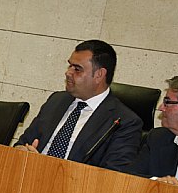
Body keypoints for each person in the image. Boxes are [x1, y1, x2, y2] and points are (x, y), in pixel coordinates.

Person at [15, 40, 142, 171]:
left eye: (77, 69)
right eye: (69, 66)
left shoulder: (124, 122)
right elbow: (23, 143)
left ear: (99, 75)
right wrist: (21, 150)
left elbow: (114, 174)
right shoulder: (56, 100)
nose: (68, 73)